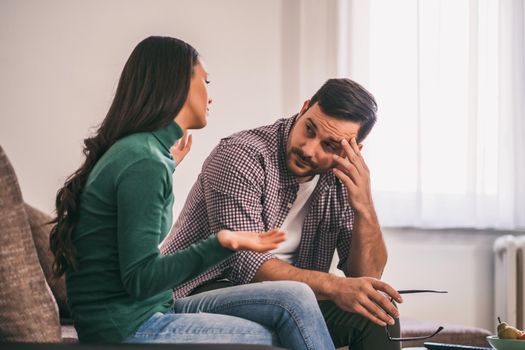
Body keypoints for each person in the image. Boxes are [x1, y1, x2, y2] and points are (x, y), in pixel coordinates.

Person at [49, 36, 335, 349]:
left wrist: (165, 169)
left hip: (149, 310)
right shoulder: (143, 160)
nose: (211, 97)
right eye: (206, 81)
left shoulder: (142, 154)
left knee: (296, 297)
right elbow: (141, 278)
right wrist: (223, 243)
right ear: (179, 85)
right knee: (278, 336)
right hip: (126, 327)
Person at [161, 78, 405, 350]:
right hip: (199, 291)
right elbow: (245, 265)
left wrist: (364, 205)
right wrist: (334, 287)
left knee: (379, 314)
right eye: (309, 129)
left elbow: (366, 276)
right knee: (292, 299)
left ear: (353, 151)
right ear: (303, 109)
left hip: (292, 303)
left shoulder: (341, 180)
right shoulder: (242, 155)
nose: (309, 149)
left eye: (330, 146)